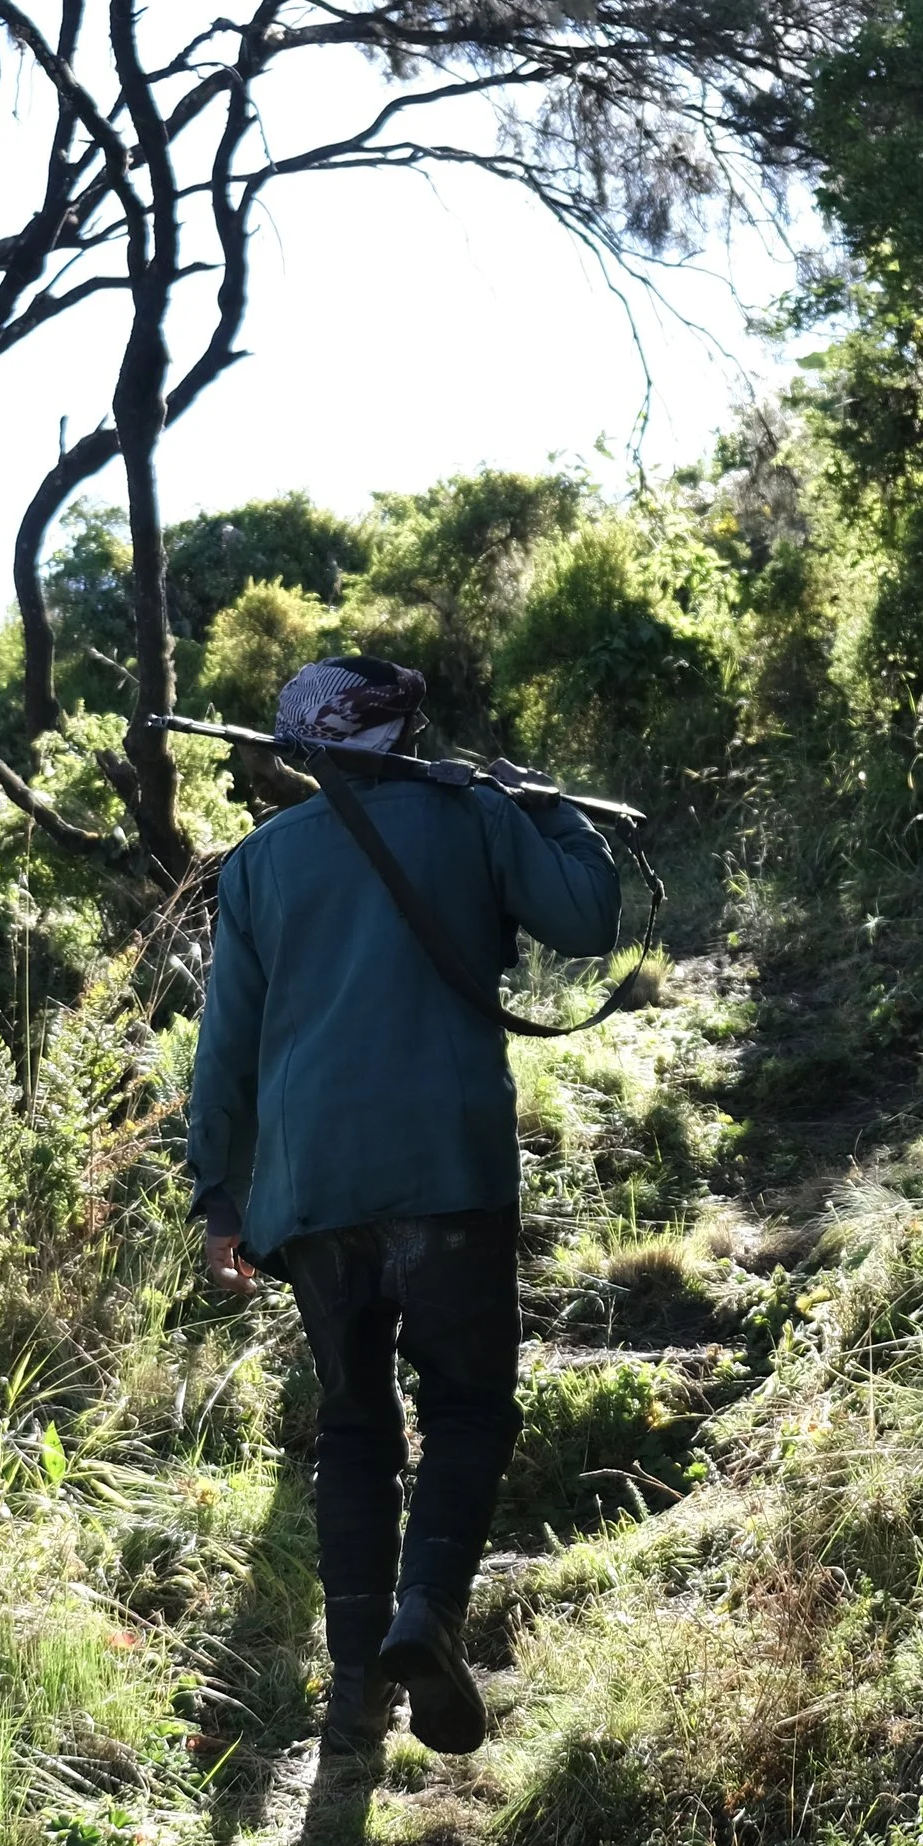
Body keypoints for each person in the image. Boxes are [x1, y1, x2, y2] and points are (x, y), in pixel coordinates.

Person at [186, 653, 621, 1758]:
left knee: (352, 1428)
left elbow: (225, 1047)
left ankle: (353, 1693)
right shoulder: (474, 814)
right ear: (406, 736)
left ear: (306, 756)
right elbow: (587, 919)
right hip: (448, 1168)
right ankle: (425, 1613)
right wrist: (552, 811)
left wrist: (218, 1197)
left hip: (311, 1192)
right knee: (468, 1408)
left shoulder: (256, 864)